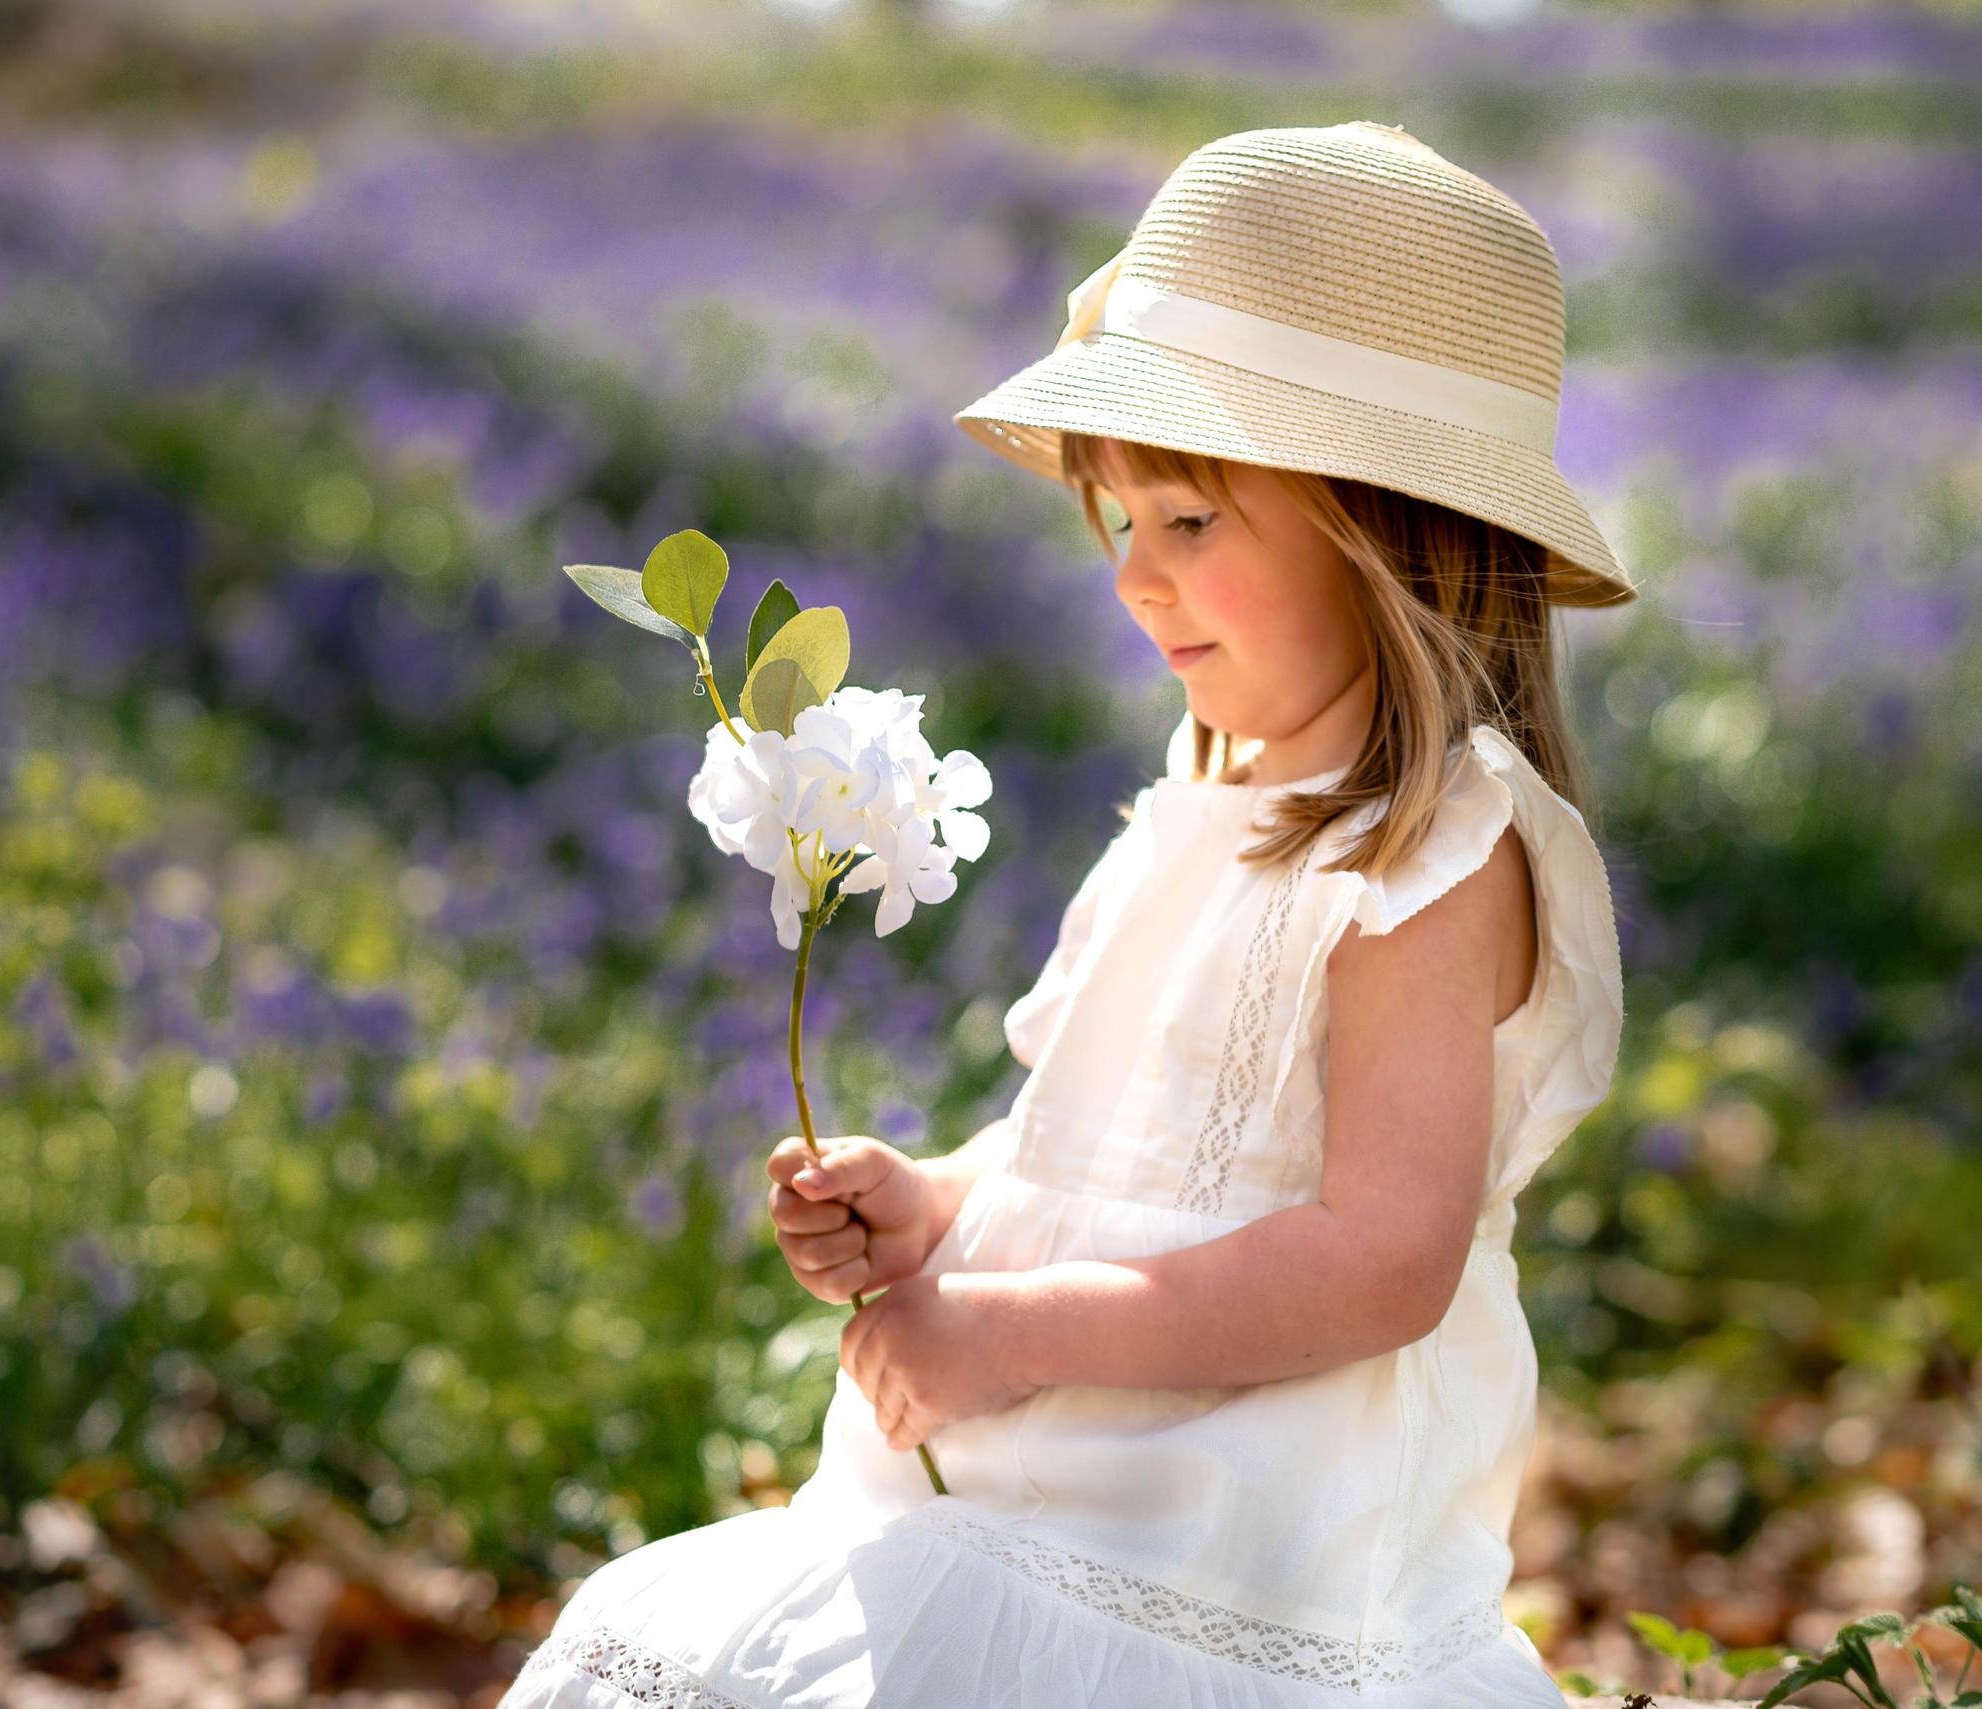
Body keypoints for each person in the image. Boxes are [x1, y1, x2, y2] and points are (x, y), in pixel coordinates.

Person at [505, 120, 1630, 1708]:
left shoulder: (1429, 858)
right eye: (1121, 523)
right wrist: (942, 1205)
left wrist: (1013, 1330)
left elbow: (1383, 1258)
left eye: (1189, 520)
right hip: (1042, 1488)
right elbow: (1112, 1147)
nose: (1134, 581)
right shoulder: (1199, 796)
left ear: (1393, 533)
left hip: (1228, 1565)